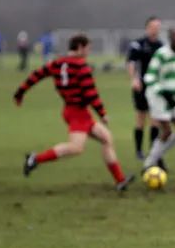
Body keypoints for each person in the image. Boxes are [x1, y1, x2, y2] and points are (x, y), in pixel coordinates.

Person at [13, 34, 134, 191]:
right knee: (76, 148)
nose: (88, 52)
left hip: (73, 110)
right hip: (77, 112)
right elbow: (90, 93)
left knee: (106, 138)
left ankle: (120, 180)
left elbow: (36, 75)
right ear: (80, 47)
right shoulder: (81, 67)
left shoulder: (57, 63)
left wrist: (20, 92)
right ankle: (35, 159)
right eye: (88, 48)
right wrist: (102, 113)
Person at [142, 28, 175, 171]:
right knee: (167, 131)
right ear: (169, 38)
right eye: (174, 36)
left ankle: (155, 156)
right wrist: (163, 93)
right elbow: (149, 77)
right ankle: (149, 163)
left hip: (170, 96)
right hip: (157, 95)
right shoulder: (161, 54)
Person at [126, 16, 163, 160]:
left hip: (155, 88)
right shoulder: (138, 44)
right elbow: (131, 63)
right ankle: (139, 151)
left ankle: (153, 151)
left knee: (155, 120)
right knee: (141, 119)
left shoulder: (161, 46)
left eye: (158, 27)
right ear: (147, 28)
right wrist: (134, 79)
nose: (156, 30)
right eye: (153, 27)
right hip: (141, 86)